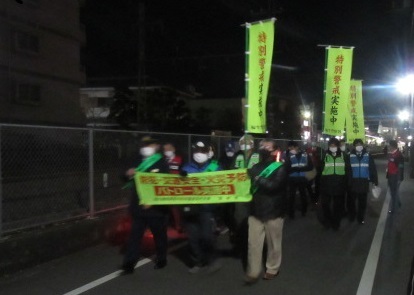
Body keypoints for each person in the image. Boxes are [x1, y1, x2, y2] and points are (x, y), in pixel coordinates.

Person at [121, 136, 170, 274]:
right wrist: (128, 173)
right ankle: (129, 263)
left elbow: (164, 185)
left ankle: (161, 259)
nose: (145, 147)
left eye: (149, 144)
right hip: (138, 207)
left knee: (159, 236)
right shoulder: (136, 160)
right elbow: (124, 176)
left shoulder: (161, 163)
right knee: (134, 237)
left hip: (155, 209)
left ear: (156, 146)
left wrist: (153, 201)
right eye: (144, 144)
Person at [244, 139, 287, 284]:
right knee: (253, 243)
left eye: (268, 147)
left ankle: (272, 268)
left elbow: (274, 186)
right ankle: (253, 271)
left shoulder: (280, 168)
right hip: (256, 211)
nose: (264, 149)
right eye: (262, 146)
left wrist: (256, 178)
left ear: (275, 151)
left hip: (273, 211)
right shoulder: (255, 166)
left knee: (273, 243)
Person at [180, 141, 222, 274]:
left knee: (207, 236)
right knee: (192, 237)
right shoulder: (186, 167)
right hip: (190, 207)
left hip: (207, 208)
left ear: (208, 153)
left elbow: (223, 185)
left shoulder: (216, 168)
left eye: (202, 151)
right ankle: (198, 262)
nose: (199, 153)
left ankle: (211, 260)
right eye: (197, 150)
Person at [346, 139, 378, 224]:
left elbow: (372, 169)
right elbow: (347, 170)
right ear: (354, 146)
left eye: (360, 144)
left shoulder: (368, 155)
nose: (359, 146)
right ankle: (352, 216)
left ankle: (360, 218)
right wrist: (347, 181)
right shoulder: (349, 156)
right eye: (357, 144)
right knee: (351, 202)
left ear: (363, 145)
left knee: (362, 202)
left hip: (364, 182)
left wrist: (375, 181)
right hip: (353, 182)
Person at [320, 137, 348, 230]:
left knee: (337, 206)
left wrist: (346, 183)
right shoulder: (324, 155)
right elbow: (320, 169)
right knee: (325, 205)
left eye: (334, 145)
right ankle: (327, 222)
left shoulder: (343, 156)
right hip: (326, 185)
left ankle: (336, 223)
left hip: (339, 185)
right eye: (331, 145)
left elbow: (348, 170)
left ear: (338, 146)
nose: (332, 147)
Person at [285, 141, 313, 219]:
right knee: (291, 197)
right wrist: (297, 169)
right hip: (292, 179)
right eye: (290, 148)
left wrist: (298, 169)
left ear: (297, 147)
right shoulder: (288, 156)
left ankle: (304, 211)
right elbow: (286, 168)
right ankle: (291, 213)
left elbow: (310, 166)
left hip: (302, 178)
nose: (291, 149)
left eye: (292, 147)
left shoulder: (305, 155)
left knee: (303, 195)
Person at [163, 142, 184, 233]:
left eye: (169, 149)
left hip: (176, 188)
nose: (167, 151)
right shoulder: (162, 161)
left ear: (173, 150)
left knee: (175, 208)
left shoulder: (180, 160)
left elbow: (184, 172)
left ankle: (178, 225)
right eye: (165, 150)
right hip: (164, 188)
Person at [386, 140, 404, 214]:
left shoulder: (398, 155)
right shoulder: (391, 154)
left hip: (395, 176)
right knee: (393, 192)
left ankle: (393, 209)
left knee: (393, 193)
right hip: (390, 176)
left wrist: (399, 178)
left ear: (392, 146)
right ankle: (398, 203)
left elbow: (401, 167)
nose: (388, 147)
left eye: (389, 145)